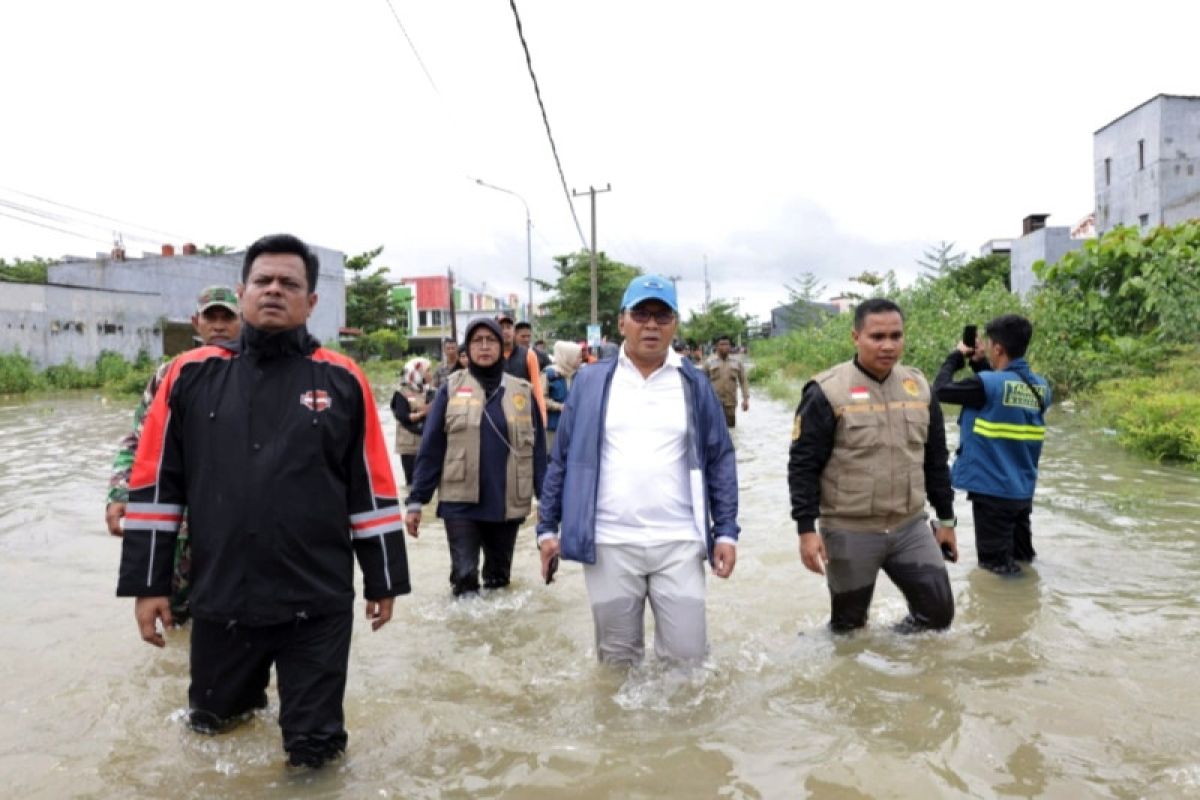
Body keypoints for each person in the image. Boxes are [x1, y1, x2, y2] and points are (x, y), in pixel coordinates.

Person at [116, 233, 411, 769]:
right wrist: (148, 585)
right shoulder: (190, 375)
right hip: (221, 598)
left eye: (289, 283)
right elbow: (158, 484)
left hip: (317, 602)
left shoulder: (342, 379)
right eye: (263, 281)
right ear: (243, 290)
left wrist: (384, 578)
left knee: (316, 752)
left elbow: (371, 485)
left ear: (311, 301)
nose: (274, 290)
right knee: (212, 737)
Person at [537, 274, 739, 666]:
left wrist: (727, 532)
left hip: (680, 541)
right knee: (616, 664)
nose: (651, 325)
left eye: (662, 316)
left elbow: (720, 460)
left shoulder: (694, 384)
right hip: (609, 542)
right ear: (622, 322)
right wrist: (547, 528)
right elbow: (562, 459)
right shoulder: (591, 382)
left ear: (675, 324)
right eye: (641, 314)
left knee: (688, 662)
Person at [787, 298, 958, 634]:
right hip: (850, 529)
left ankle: (890, 659)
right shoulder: (827, 391)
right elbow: (802, 466)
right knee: (849, 629)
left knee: (938, 616)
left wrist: (947, 520)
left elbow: (936, 459)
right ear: (856, 337)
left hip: (909, 526)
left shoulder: (919, 387)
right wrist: (806, 530)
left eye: (896, 336)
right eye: (877, 337)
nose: (888, 345)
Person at [105, 285, 241, 625]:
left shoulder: (256, 374)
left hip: (237, 526)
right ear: (197, 322)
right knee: (174, 618)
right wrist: (121, 491)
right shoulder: (170, 375)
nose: (219, 326)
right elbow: (139, 439)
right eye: (212, 317)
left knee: (237, 619)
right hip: (179, 520)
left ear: (244, 322)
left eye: (228, 317)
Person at [405, 318, 547, 595]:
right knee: (464, 577)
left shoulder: (522, 391)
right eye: (477, 340)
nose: (484, 346)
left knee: (499, 581)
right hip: (459, 502)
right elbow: (431, 447)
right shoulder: (451, 388)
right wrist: (416, 501)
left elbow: (538, 452)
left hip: (507, 500)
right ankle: (465, 635)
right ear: (467, 348)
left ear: (501, 345)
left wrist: (546, 502)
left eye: (491, 340)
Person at [933, 314, 1051, 576]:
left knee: (996, 571)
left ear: (997, 348)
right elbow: (1002, 394)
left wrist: (956, 356)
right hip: (1022, 491)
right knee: (1022, 561)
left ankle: (1009, 615)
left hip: (993, 492)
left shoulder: (987, 385)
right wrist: (980, 364)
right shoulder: (1041, 387)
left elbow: (939, 390)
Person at [496, 312, 547, 425]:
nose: (505, 331)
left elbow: (537, 389)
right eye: (501, 327)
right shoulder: (491, 356)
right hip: (498, 415)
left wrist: (542, 417)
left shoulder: (529, 355)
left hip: (523, 414)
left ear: (514, 331)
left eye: (508, 327)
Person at [390, 357, 433, 487]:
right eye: (428, 370)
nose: (430, 374)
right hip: (408, 446)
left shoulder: (428, 391)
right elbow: (402, 416)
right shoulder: (401, 392)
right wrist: (423, 413)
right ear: (416, 373)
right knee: (412, 484)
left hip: (425, 442)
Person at [542, 340, 583, 452]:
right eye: (578, 357)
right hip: (553, 427)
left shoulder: (580, 375)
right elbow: (541, 399)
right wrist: (560, 407)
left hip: (574, 426)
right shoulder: (549, 374)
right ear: (567, 357)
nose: (581, 360)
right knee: (553, 456)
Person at [704, 334, 750, 427]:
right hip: (714, 403)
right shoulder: (709, 362)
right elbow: (702, 383)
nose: (725, 347)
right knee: (715, 428)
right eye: (722, 344)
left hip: (731, 403)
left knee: (731, 430)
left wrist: (745, 399)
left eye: (727, 344)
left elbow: (743, 381)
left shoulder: (737, 362)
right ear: (716, 346)